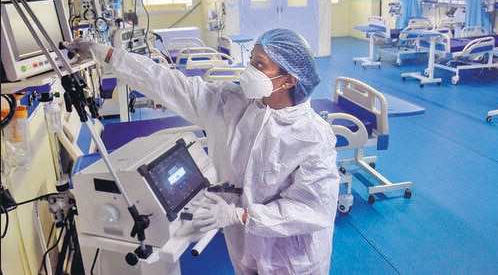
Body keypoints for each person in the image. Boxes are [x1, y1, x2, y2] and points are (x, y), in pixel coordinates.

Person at [64, 28, 340, 274]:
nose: (249, 70)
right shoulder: (232, 104)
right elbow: (168, 83)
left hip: (292, 260)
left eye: (260, 64)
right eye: (251, 59)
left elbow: (312, 208)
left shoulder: (313, 137)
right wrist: (109, 55)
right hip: (244, 249)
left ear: (288, 80)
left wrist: (241, 215)